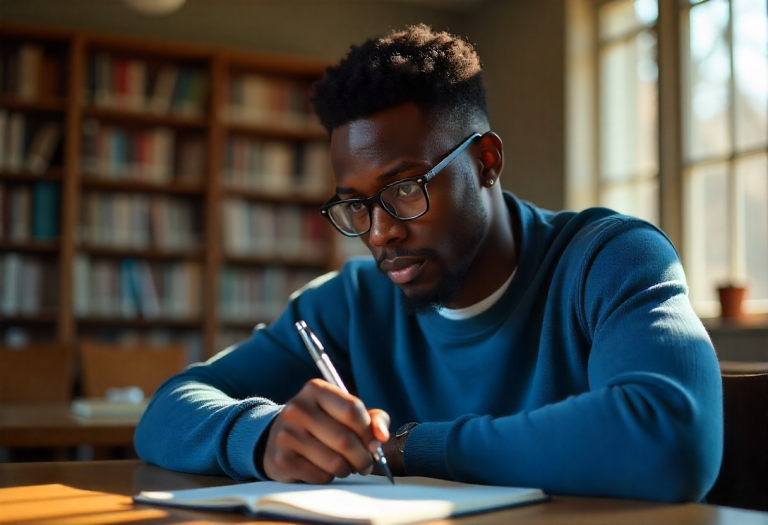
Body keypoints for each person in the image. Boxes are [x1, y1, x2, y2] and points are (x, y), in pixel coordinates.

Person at [135, 24, 722, 502]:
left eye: (406, 187)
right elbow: (169, 408)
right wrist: (260, 436)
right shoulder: (349, 301)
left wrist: (408, 448)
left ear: (486, 161)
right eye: (356, 204)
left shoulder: (609, 259)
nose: (381, 230)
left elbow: (671, 435)